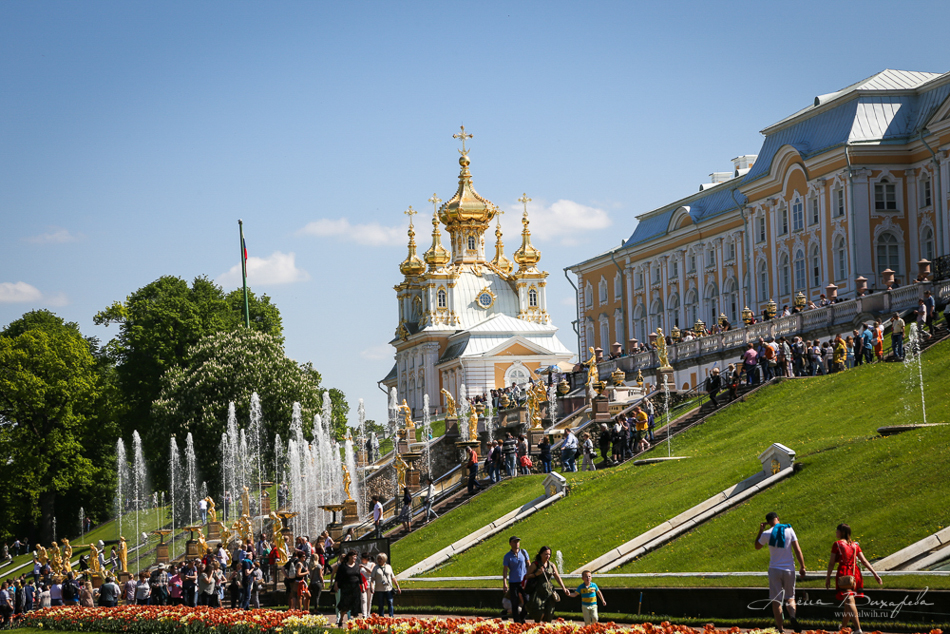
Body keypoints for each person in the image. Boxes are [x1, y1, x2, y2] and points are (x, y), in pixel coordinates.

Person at [825, 523, 883, 634]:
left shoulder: (837, 544)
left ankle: (858, 629)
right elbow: (864, 561)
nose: (836, 533)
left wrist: (828, 577)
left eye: (837, 530)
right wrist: (875, 574)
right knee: (848, 602)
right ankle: (843, 628)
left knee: (850, 600)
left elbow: (831, 563)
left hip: (844, 574)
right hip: (855, 574)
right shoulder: (855, 545)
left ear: (841, 532)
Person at [754, 511, 806, 633]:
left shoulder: (767, 533)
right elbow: (797, 550)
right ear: (778, 518)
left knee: (776, 600)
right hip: (789, 569)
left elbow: (757, 546)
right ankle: (792, 616)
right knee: (790, 597)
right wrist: (802, 566)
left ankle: (781, 629)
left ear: (767, 522)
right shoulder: (789, 529)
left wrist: (761, 530)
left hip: (775, 569)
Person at [524, 546, 570, 622]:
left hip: (548, 590)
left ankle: (546, 628)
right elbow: (526, 576)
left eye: (549, 554)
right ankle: (537, 626)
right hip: (538, 591)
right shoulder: (535, 564)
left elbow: (557, 577)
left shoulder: (552, 565)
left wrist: (564, 588)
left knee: (549, 612)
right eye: (546, 554)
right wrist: (536, 574)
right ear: (541, 554)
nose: (548, 556)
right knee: (538, 612)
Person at [502, 536, 530, 624]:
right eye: (514, 542)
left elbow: (528, 564)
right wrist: (505, 583)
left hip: (523, 581)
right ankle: (516, 622)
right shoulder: (507, 556)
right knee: (514, 602)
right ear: (510, 543)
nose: (517, 543)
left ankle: (522, 616)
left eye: (518, 541)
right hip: (513, 582)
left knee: (527, 601)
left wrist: (530, 576)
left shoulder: (524, 552)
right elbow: (505, 570)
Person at [333, 550, 362, 626]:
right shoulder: (343, 566)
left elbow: (359, 576)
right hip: (346, 588)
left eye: (356, 556)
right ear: (349, 556)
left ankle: (355, 623)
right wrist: (336, 585)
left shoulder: (356, 565)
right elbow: (338, 576)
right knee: (345, 605)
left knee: (356, 604)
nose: (355, 558)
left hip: (355, 588)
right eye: (354, 556)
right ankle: (341, 619)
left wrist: (362, 585)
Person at [372, 553, 400, 617]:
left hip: (388, 588)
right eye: (378, 558)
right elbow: (372, 578)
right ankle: (381, 617)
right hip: (379, 589)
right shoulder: (375, 568)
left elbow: (393, 577)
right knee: (381, 604)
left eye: (381, 559)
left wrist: (397, 586)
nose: (379, 560)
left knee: (390, 602)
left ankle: (391, 616)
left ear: (384, 559)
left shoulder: (388, 567)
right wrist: (372, 587)